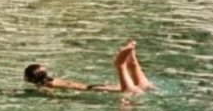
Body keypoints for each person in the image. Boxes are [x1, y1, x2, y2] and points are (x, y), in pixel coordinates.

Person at [24, 40, 153, 94]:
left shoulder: (45, 86)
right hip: (91, 86)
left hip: (91, 89)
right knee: (144, 87)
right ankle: (133, 63)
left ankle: (121, 65)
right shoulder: (51, 82)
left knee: (130, 92)